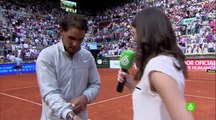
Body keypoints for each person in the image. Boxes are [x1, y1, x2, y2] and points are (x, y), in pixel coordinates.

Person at [117, 7, 194, 120]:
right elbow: (151, 101)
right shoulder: (164, 62)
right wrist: (132, 85)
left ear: (146, 34)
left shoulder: (158, 67)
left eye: (134, 33)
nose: (133, 39)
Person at [36, 13, 101, 120]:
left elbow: (95, 84)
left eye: (80, 39)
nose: (75, 44)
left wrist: (85, 97)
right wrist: (69, 115)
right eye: (71, 38)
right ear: (61, 31)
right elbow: (50, 92)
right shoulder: (47, 56)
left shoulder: (87, 56)